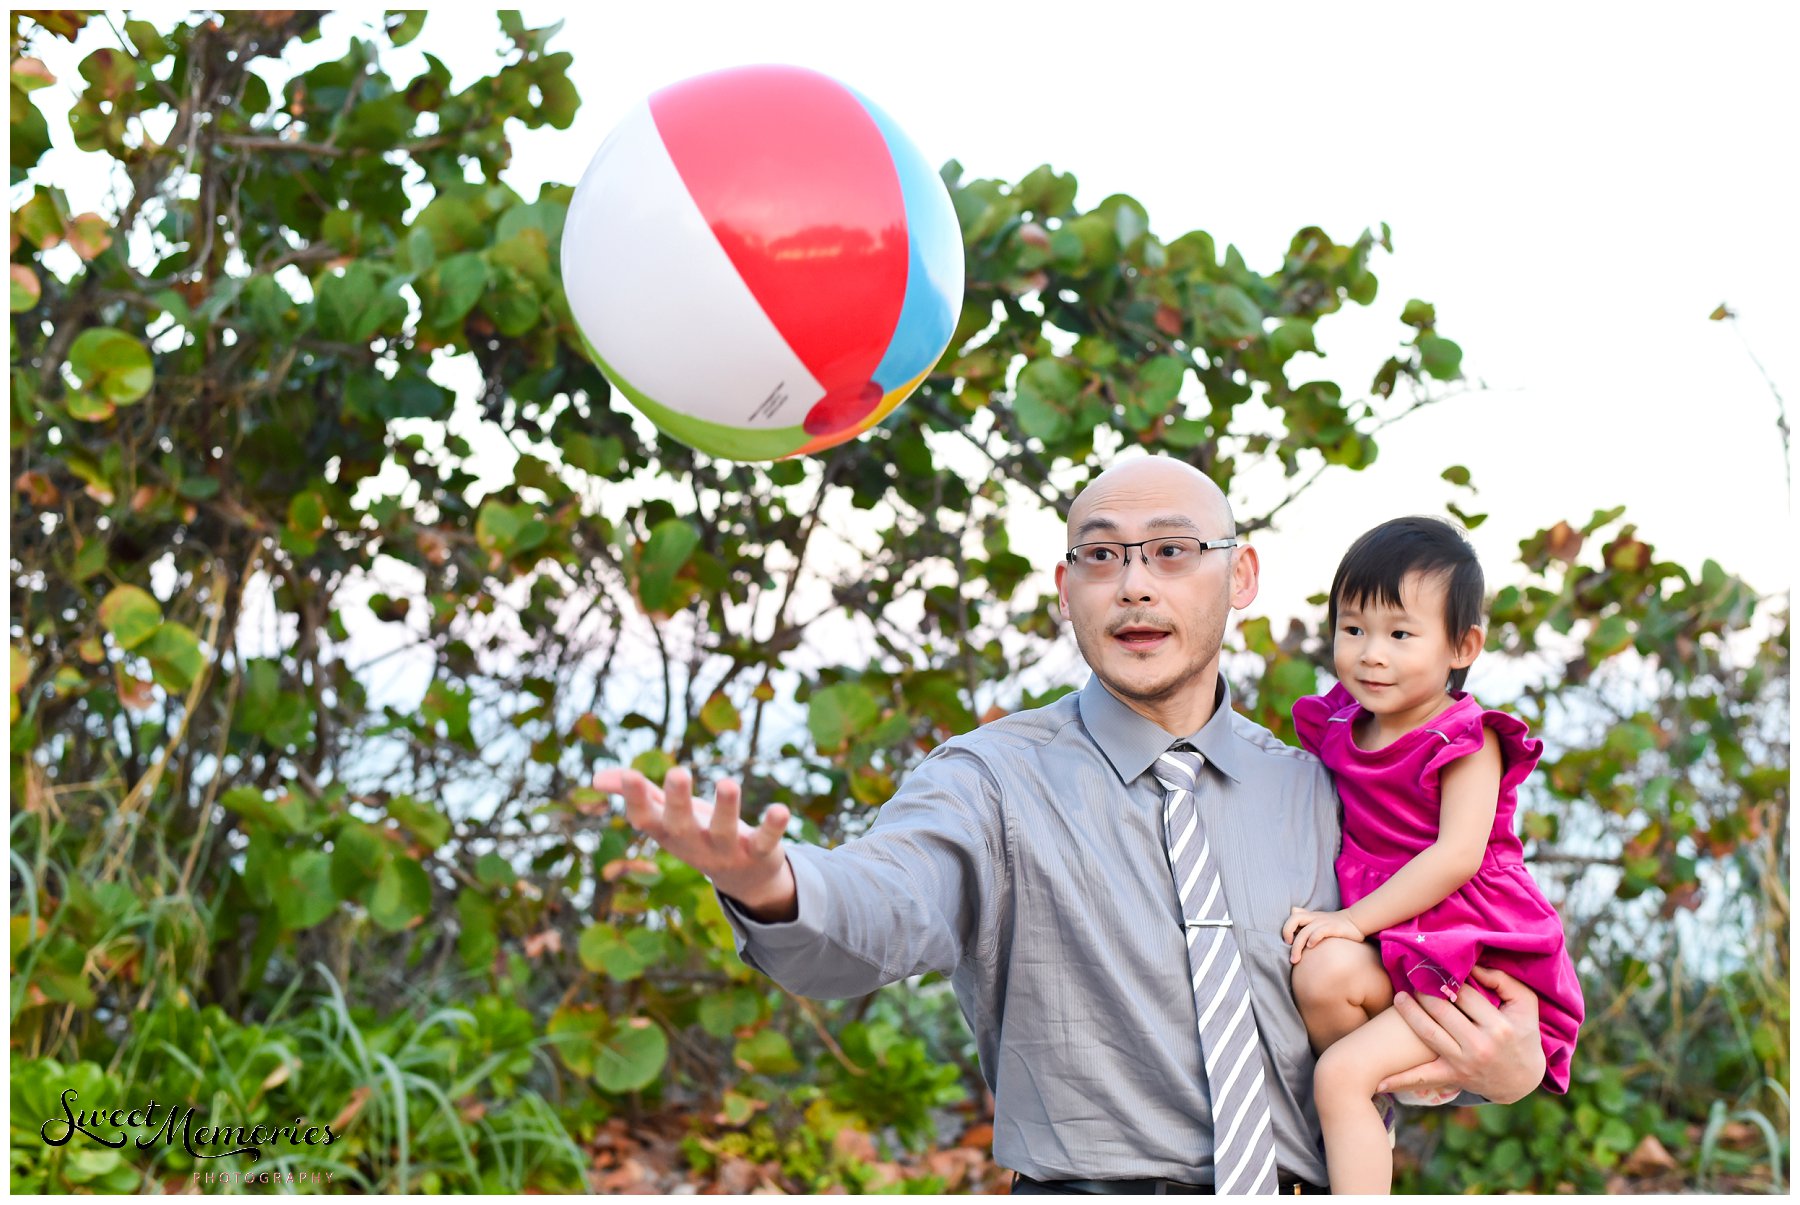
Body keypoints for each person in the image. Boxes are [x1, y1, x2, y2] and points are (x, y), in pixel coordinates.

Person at [595, 456, 1548, 1194]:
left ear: (1241, 575)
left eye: (1172, 551)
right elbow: (882, 902)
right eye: (1103, 555)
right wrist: (773, 884)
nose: (1135, 584)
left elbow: (1402, 989)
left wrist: (1498, 1065)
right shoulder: (993, 779)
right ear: (1066, 586)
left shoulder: (1320, 787)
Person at [1281, 516, 1585, 1193]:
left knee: (1338, 1074)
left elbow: (1456, 857)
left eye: (1399, 633)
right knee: (1321, 972)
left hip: (1471, 949)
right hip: (1404, 944)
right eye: (1353, 628)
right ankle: (1379, 1104)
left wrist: (1354, 920)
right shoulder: (1337, 723)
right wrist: (1348, 930)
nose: (1371, 653)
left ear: (1461, 644)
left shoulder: (1466, 738)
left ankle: (1359, 1102)